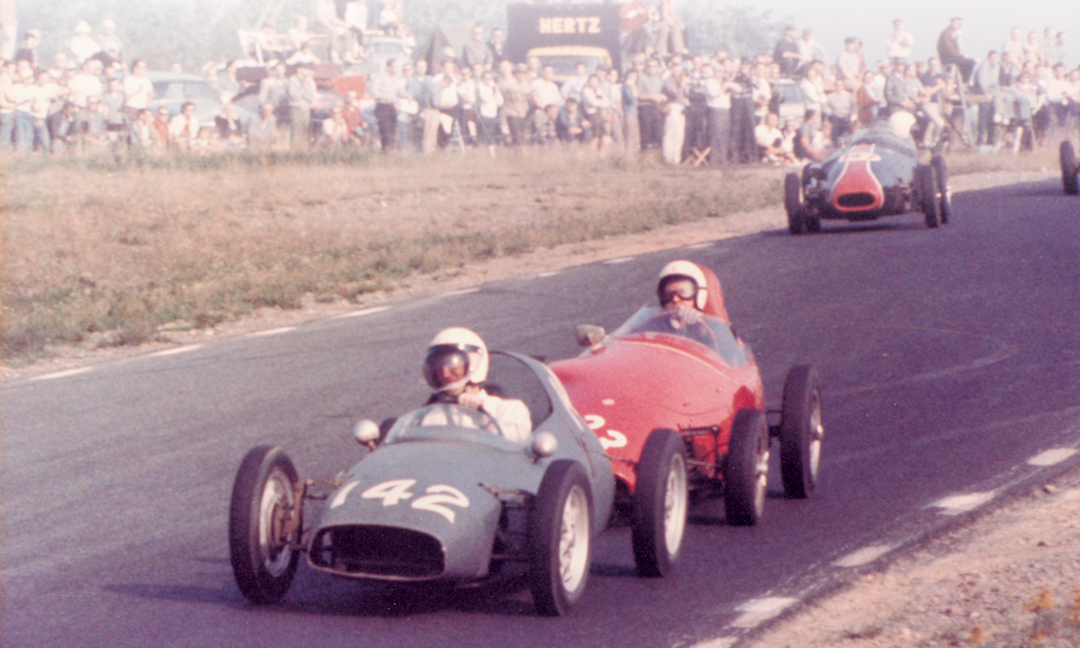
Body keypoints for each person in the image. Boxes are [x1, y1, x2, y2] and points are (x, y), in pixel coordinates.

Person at [421, 328, 531, 443]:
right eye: (438, 366)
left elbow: (517, 439)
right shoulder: (428, 416)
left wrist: (484, 418)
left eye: (453, 365)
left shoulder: (508, 409)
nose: (445, 374)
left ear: (474, 363)